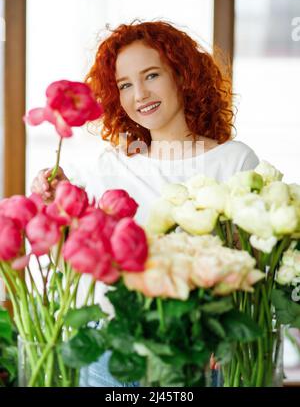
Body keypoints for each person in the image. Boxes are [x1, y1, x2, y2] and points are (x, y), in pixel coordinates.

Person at [31, 20, 259, 386]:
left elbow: (247, 263)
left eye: (151, 75)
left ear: (182, 75)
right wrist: (48, 191)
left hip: (191, 353)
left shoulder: (232, 161)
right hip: (109, 352)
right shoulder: (110, 164)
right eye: (125, 85)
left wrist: (224, 334)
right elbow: (68, 251)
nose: (139, 94)